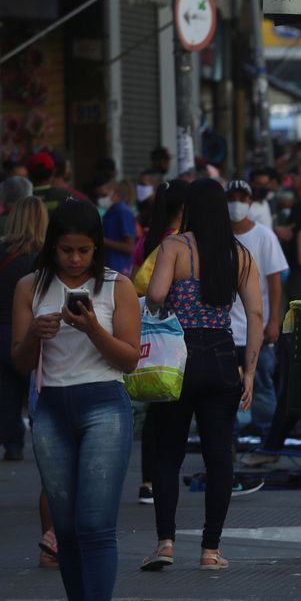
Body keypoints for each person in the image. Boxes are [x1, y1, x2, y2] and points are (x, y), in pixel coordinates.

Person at [12, 199, 142, 600]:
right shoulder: (30, 286)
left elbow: (130, 359)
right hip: (51, 408)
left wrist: (91, 329)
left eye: (84, 250)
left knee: (95, 525)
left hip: (105, 405)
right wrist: (35, 333)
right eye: (66, 249)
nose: (74, 259)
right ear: (53, 245)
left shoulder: (118, 286)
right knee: (65, 528)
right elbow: (19, 362)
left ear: (96, 247)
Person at [142, 178, 263, 573]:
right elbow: (257, 316)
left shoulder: (174, 247)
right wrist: (250, 372)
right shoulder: (240, 255)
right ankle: (211, 550)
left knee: (168, 453)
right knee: (218, 456)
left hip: (177, 359)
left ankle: (165, 542)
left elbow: (156, 295)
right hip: (222, 357)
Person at [131, 179, 190, 505]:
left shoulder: (146, 241)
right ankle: (166, 477)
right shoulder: (179, 244)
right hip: (175, 331)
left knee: (154, 410)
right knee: (175, 407)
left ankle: (149, 481)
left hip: (147, 330)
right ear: (183, 208)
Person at [227, 180, 288, 442]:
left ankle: (268, 440)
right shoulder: (216, 236)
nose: (237, 203)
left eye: (242, 198)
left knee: (262, 384)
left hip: (257, 328)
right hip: (225, 330)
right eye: (232, 198)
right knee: (226, 389)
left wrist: (274, 320)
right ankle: (229, 440)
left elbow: (275, 282)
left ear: (251, 202)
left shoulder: (264, 236)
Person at [0, 196, 47, 461]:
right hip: (34, 330)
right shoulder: (46, 256)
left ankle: (13, 444)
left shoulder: (2, 252)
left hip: (2, 329)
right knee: (37, 388)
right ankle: (45, 440)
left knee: (6, 393)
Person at [92, 173, 138, 277]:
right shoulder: (109, 213)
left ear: (115, 192)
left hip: (120, 270)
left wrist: (102, 241)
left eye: (103, 195)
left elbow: (130, 247)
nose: (100, 199)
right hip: (108, 269)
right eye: (97, 196)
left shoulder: (123, 212)